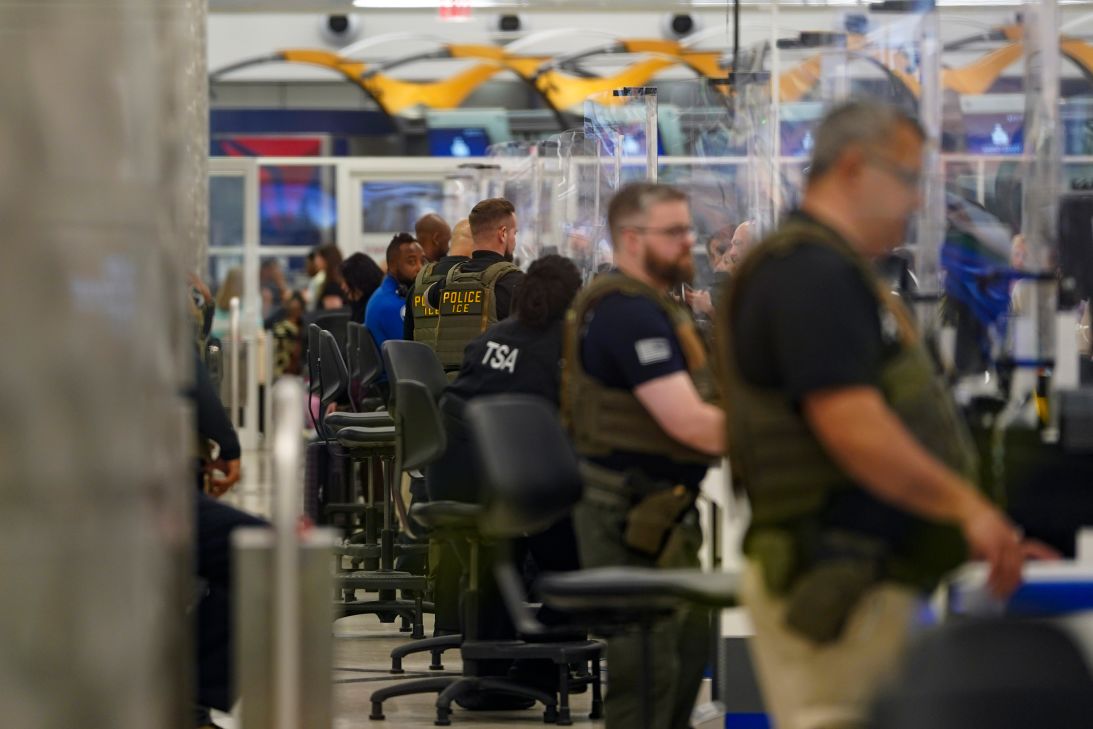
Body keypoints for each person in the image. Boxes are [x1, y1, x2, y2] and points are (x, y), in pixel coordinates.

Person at [719, 101, 1055, 729]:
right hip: (833, 585)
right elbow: (852, 426)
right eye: (906, 179)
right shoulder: (807, 274)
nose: (913, 201)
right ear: (852, 167)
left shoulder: (837, 271)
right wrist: (967, 509)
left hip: (865, 576)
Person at [562, 182, 725, 729]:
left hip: (657, 510)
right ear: (631, 239)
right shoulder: (625, 314)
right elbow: (688, 422)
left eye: (689, 229)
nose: (689, 242)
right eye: (674, 232)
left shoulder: (651, 307)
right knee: (649, 673)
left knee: (680, 656)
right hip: (628, 512)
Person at [426, 254, 584, 707]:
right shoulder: (562, 348)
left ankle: (491, 675)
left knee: (504, 556)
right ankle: (541, 669)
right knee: (574, 550)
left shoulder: (492, 336)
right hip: (501, 485)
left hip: (448, 476)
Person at [429, 199, 525, 374]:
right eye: (514, 233)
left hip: (451, 390)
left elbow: (430, 297)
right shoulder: (515, 283)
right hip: (493, 390)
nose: (514, 240)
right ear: (503, 234)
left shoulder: (448, 281)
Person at [405, 216, 469, 344]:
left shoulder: (417, 284)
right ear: (436, 238)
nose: (450, 245)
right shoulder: (470, 280)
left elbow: (407, 344)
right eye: (448, 240)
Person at [365, 233, 425, 358]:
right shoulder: (392, 305)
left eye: (422, 261)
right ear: (392, 266)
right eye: (411, 262)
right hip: (397, 376)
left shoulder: (385, 294)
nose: (420, 268)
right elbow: (412, 353)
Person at [339, 252, 384, 324]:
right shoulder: (358, 306)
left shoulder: (374, 309)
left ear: (358, 281)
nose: (342, 287)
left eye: (346, 281)